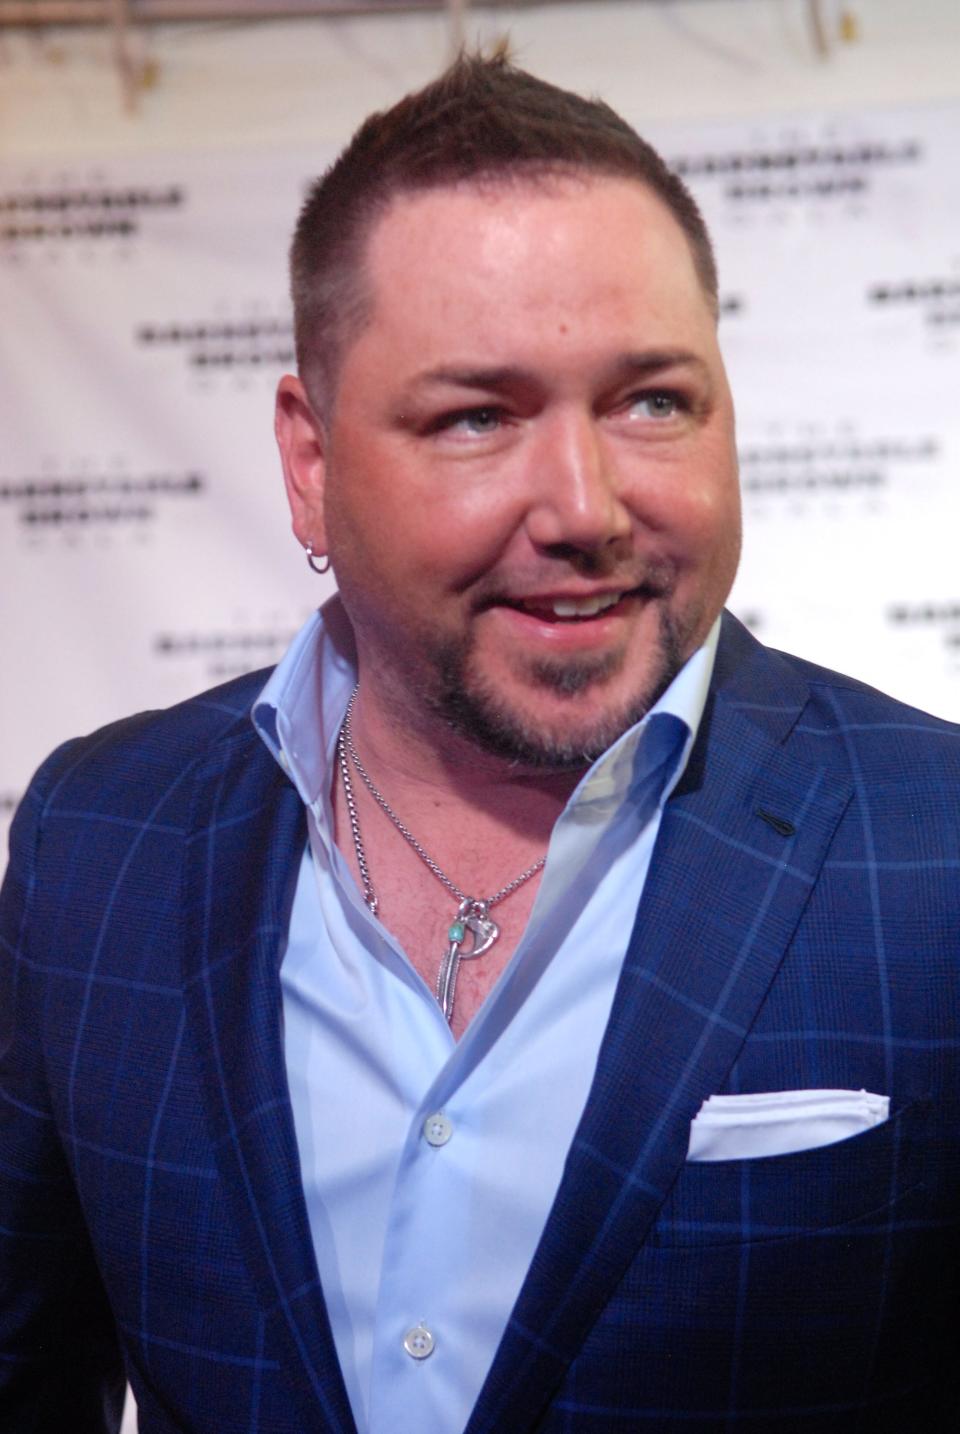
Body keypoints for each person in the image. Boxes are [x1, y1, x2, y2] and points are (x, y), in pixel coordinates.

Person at [1, 51, 957, 1434]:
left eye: (652, 401)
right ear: (311, 458)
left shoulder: (935, 847)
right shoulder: (102, 842)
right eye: (477, 417)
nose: (584, 505)